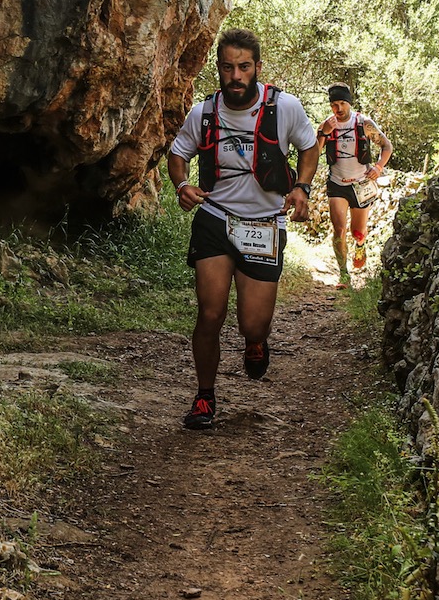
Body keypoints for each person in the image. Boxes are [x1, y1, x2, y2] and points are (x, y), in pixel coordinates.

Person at [165, 28, 320, 430]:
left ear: (257, 68)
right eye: (228, 67)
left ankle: (255, 341)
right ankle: (204, 396)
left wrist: (302, 186)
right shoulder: (203, 112)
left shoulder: (284, 107)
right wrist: (182, 185)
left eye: (244, 67)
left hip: (264, 224)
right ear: (218, 68)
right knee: (210, 313)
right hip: (215, 218)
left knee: (253, 323)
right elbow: (178, 154)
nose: (236, 76)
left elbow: (309, 146)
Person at [317, 84, 392, 286]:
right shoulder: (326, 125)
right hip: (337, 184)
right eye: (334, 104)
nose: (339, 109)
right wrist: (324, 133)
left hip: (361, 184)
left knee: (357, 231)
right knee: (339, 230)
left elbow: (387, 146)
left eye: (342, 103)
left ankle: (360, 244)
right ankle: (343, 274)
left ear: (349, 103)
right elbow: (313, 153)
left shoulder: (364, 123)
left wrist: (378, 167)